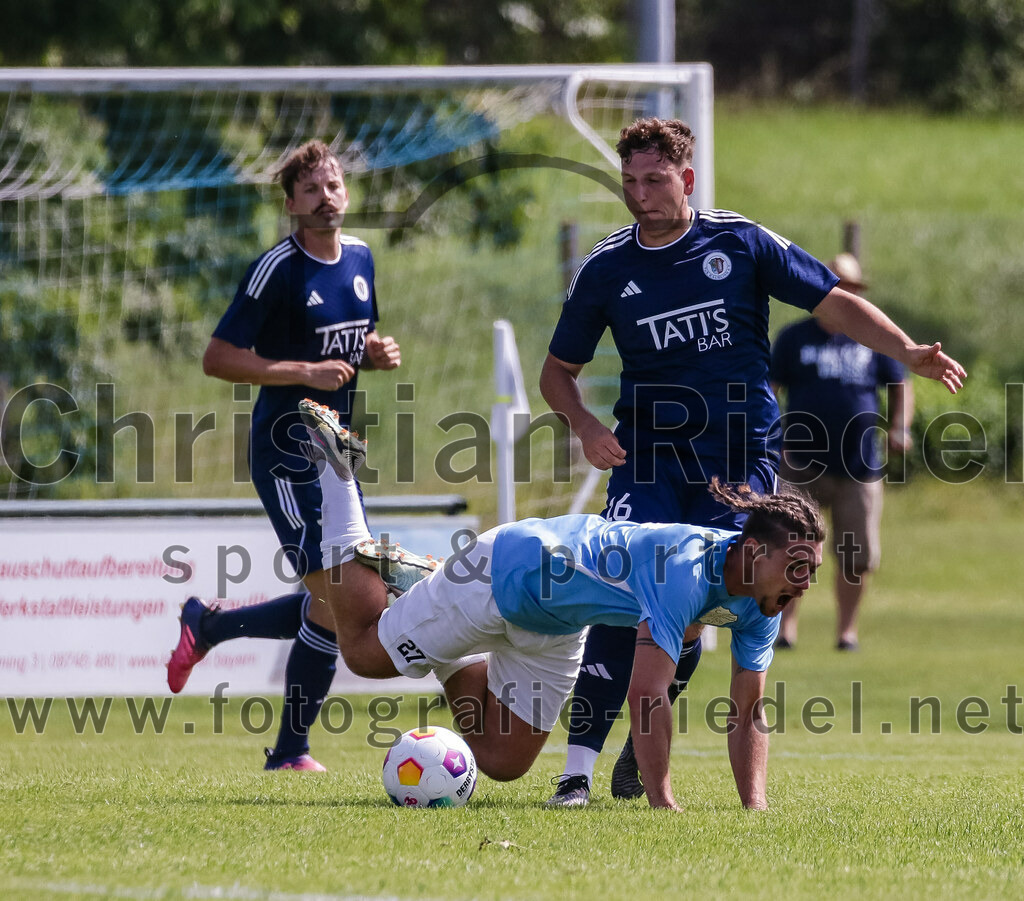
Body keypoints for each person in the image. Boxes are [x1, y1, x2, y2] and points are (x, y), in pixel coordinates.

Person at [538, 117, 966, 805]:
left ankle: (636, 749)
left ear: (686, 180)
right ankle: (575, 773)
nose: (640, 194)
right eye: (629, 182)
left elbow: (835, 302)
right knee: (625, 596)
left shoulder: (738, 241)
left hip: (737, 464)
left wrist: (906, 350)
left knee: (698, 605)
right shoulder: (607, 267)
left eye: (654, 180)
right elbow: (557, 371)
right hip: (647, 457)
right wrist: (584, 423)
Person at [300, 397, 826, 810]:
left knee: (503, 762)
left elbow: (748, 708)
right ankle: (339, 478)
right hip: (507, 574)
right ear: (754, 551)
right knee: (364, 655)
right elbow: (646, 694)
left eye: (813, 571)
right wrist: (663, 803)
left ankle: (436, 609)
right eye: (797, 568)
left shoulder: (762, 601)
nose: (804, 584)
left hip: (558, 623)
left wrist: (754, 806)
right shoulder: (684, 569)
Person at [166, 139, 401, 771]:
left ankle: (210, 628)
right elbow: (218, 358)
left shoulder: (360, 258)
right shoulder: (278, 268)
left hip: (337, 455)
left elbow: (352, 343)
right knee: (337, 599)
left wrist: (371, 354)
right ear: (292, 204)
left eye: (334, 187)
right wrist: (301, 370)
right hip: (285, 451)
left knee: (343, 601)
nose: (327, 199)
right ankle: (290, 749)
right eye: (312, 191)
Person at [770, 253, 913, 651]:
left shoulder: (873, 336)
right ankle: (785, 631)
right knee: (790, 549)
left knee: (855, 556)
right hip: (800, 465)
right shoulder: (793, 338)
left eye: (852, 286)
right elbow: (770, 389)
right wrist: (766, 436)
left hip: (858, 466)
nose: (845, 293)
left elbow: (899, 382)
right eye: (838, 286)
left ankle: (846, 633)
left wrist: (900, 427)